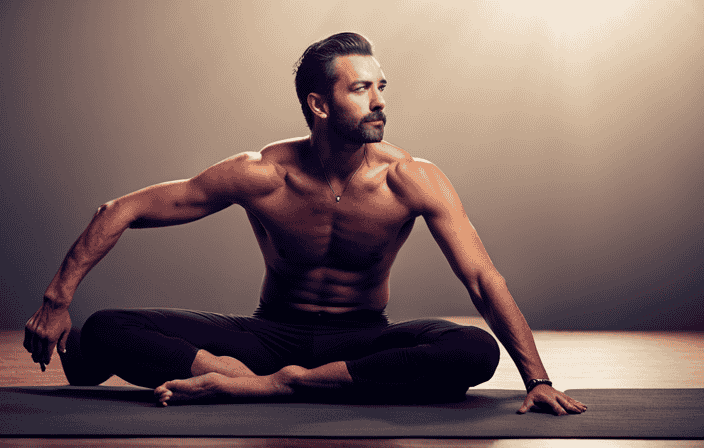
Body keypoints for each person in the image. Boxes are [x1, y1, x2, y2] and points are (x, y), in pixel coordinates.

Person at [24, 32, 586, 415]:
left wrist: (536, 379)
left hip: (363, 339)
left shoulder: (412, 178)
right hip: (268, 334)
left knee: (472, 350)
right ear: (320, 105)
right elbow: (121, 210)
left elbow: (484, 280)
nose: (379, 102)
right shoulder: (263, 174)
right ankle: (236, 373)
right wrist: (56, 299)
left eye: (380, 87)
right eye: (361, 89)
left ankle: (271, 387)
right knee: (102, 329)